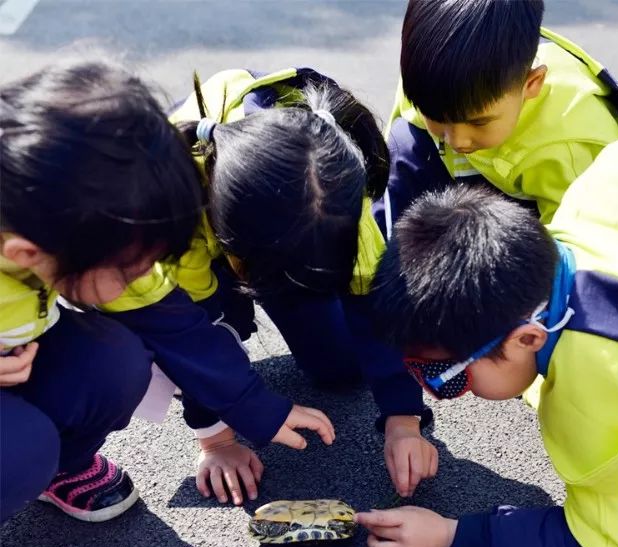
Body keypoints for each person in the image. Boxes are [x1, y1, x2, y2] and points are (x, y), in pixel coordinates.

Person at [102, 68, 412, 506]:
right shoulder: (168, 208)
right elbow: (187, 331)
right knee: (213, 326)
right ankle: (242, 310)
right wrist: (218, 437)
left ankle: (288, 293)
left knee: (342, 367)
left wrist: (403, 416)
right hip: (202, 215)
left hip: (268, 213)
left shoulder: (334, 188)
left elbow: (376, 301)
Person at [356, 140, 618, 547]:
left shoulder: (601, 410)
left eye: (446, 378)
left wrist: (450, 537)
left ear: (527, 338)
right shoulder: (597, 189)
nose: (428, 392)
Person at [0, 60, 201, 522]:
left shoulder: (74, 214)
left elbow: (168, 315)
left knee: (115, 363)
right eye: (129, 270)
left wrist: (248, 409)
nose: (143, 276)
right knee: (20, 453)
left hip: (20, 345)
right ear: (30, 255)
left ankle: (62, 467)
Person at [376, 0, 618, 230]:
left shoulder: (569, 143)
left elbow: (580, 253)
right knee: (403, 143)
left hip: (537, 215)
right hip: (477, 178)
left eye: (478, 122)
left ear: (531, 84)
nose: (457, 140)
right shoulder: (431, 76)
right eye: (438, 118)